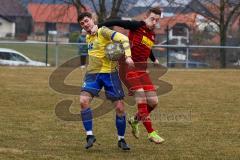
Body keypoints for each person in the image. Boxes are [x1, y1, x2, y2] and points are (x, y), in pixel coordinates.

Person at [99, 7, 165, 144]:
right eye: (152, 18)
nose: (154, 22)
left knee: (153, 102)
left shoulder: (152, 34)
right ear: (146, 16)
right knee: (141, 96)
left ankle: (134, 121)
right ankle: (151, 132)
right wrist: (97, 26)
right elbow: (117, 21)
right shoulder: (136, 26)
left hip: (142, 70)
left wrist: (153, 59)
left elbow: (147, 47)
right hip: (127, 66)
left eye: (157, 20)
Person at [78, 12, 134, 150]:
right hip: (93, 75)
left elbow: (124, 38)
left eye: (86, 21)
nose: (85, 24)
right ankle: (90, 135)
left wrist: (127, 56)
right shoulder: (88, 37)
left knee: (120, 108)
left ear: (92, 20)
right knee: (83, 101)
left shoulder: (104, 31)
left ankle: (121, 139)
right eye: (82, 23)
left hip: (109, 74)